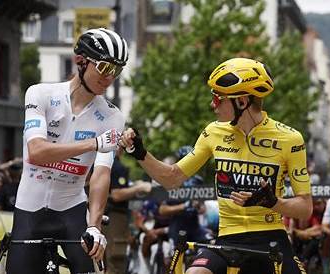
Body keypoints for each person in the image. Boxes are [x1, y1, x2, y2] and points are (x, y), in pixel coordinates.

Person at [121, 57, 312, 274]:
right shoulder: (213, 132)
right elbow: (171, 177)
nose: (213, 104)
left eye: (218, 98)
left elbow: (305, 209)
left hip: (271, 239)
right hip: (228, 238)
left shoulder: (290, 139)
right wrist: (139, 152)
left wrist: (274, 202)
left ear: (242, 102)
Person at [5, 27, 128, 274]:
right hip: (30, 209)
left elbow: (101, 174)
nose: (109, 77)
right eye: (104, 67)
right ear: (81, 61)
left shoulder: (112, 116)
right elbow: (36, 151)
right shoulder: (40, 94)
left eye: (116, 70)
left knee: (92, 267)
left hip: (71, 208)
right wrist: (93, 143)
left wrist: (94, 226)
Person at [104, 148, 152, 274]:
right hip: (114, 217)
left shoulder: (101, 163)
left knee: (103, 260)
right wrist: (139, 187)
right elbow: (117, 194)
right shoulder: (117, 166)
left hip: (103, 215)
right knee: (116, 259)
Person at [158, 146, 211, 247]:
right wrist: (184, 206)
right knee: (174, 259)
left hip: (195, 226)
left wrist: (199, 206)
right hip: (177, 226)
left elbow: (203, 209)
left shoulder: (198, 180)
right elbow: (162, 210)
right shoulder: (171, 180)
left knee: (210, 245)